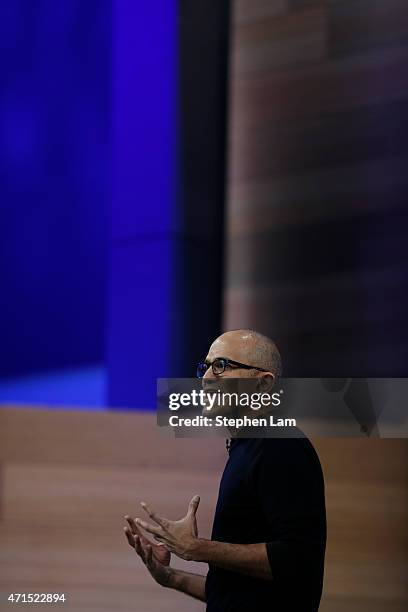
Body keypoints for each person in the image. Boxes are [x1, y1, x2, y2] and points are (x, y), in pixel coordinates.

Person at [124, 329, 326, 611]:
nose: (205, 378)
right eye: (205, 367)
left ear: (263, 384)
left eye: (220, 366)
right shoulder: (248, 446)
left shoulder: (281, 445)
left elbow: (298, 560)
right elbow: (234, 593)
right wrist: (171, 577)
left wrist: (196, 548)